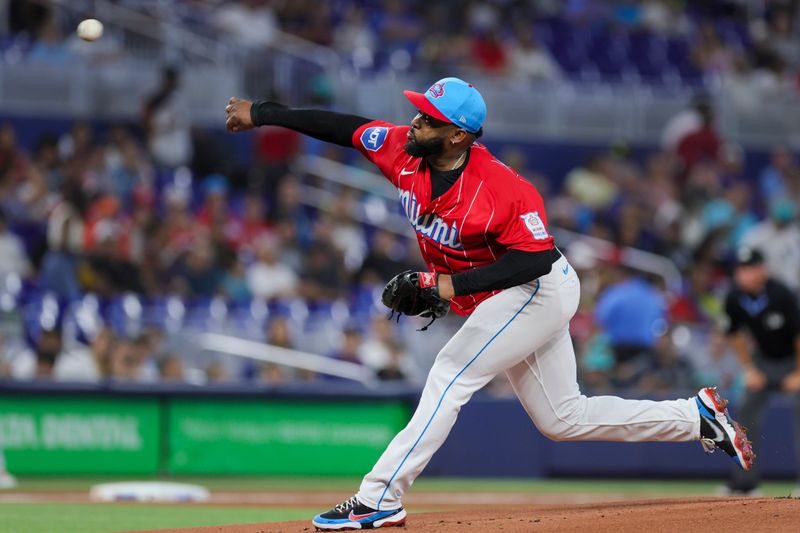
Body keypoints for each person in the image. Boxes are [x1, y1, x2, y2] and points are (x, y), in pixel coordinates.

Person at [225, 77, 754, 531]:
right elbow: (342, 127)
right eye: (417, 112)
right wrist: (266, 114)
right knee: (562, 419)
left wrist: (446, 287)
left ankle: (377, 499)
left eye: (427, 120)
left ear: (457, 134)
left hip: (536, 289)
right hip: (508, 293)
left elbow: (537, 260)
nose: (413, 124)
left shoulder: (502, 188)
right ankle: (696, 417)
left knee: (451, 373)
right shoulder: (401, 150)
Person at [722, 247, 800, 495]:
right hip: (763, 362)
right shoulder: (734, 298)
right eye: (741, 269)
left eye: (750, 269)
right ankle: (745, 483)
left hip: (793, 360)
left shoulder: (781, 294)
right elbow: (733, 334)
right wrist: (749, 368)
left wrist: (799, 373)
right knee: (744, 410)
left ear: (761, 270)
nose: (744, 274)